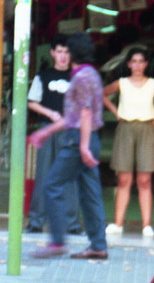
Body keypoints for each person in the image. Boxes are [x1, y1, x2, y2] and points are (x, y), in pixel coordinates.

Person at [28, 32, 108, 260]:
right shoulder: (91, 74)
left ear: (72, 53)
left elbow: (84, 113)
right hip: (89, 138)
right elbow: (75, 115)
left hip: (77, 140)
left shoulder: (81, 78)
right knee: (91, 194)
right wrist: (46, 131)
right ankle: (98, 245)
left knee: (52, 186)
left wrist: (82, 146)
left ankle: (57, 241)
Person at [102, 46, 154, 237]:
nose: (137, 65)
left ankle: (146, 225)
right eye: (133, 61)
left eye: (140, 61)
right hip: (125, 128)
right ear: (128, 64)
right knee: (123, 179)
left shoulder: (152, 84)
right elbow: (103, 94)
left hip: (146, 129)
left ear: (145, 64)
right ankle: (118, 223)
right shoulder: (121, 83)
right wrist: (116, 112)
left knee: (144, 180)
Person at [26, 34, 81, 234]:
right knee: (43, 174)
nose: (63, 56)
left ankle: (72, 224)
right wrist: (50, 113)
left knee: (70, 177)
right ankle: (36, 222)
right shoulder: (43, 75)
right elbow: (32, 102)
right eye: (59, 52)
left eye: (66, 52)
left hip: (70, 130)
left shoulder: (77, 76)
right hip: (47, 129)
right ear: (52, 53)